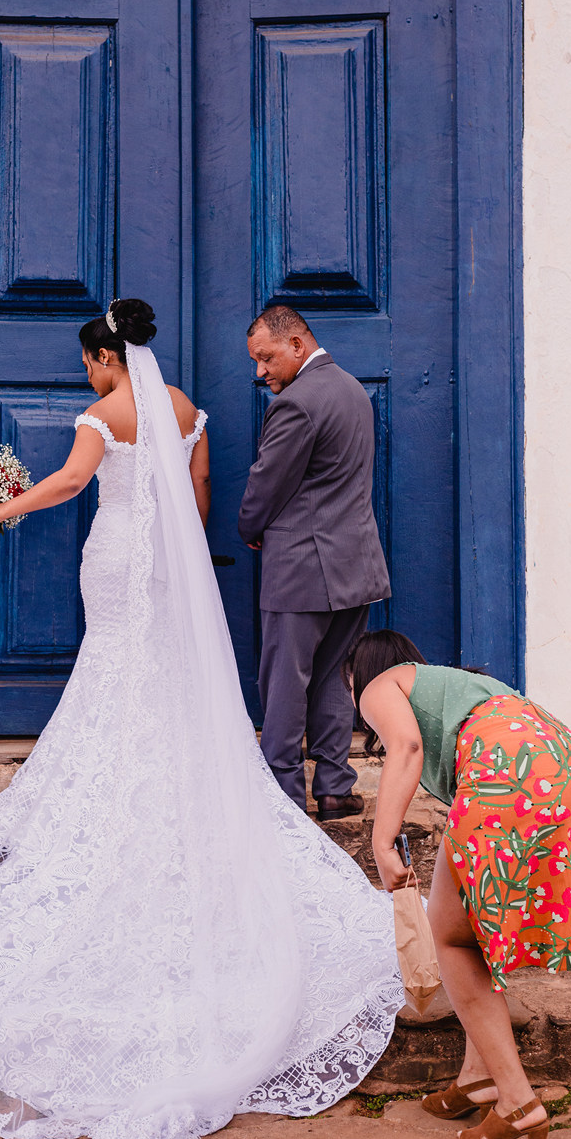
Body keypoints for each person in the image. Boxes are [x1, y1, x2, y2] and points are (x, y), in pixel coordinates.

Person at [0, 299, 402, 1139]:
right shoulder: (186, 410)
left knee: (114, 670)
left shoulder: (104, 412)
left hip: (116, 559)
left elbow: (67, 483)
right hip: (171, 565)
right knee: (166, 673)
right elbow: (199, 494)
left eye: (89, 363)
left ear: (104, 356)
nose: (87, 378)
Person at [346, 629, 571, 1139]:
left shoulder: (378, 685)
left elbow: (408, 745)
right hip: (570, 769)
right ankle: (476, 1080)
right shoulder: (459, 687)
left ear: (360, 672)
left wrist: (380, 839)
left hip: (505, 774)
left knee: (452, 939)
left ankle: (516, 1102)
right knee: (468, 930)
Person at [238, 305, 390, 820]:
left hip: (303, 564)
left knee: (283, 680)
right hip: (356, 564)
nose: (261, 371)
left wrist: (249, 529)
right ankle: (334, 789)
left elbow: (266, 482)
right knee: (331, 676)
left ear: (297, 344)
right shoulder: (352, 388)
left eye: (267, 358)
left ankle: (282, 797)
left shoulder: (296, 403)